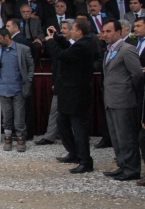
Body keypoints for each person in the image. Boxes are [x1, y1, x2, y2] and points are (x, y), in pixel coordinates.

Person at [44, 19, 96, 173]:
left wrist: (49, 42)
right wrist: (56, 37)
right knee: (62, 122)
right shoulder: (80, 43)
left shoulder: (84, 44)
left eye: (72, 29)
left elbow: (62, 54)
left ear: (79, 31)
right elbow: (67, 46)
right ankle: (73, 153)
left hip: (77, 94)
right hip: (69, 93)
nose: (70, 31)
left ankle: (85, 161)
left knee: (79, 128)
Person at [99, 21, 143, 181]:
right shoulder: (109, 51)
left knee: (126, 137)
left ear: (118, 32)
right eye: (104, 31)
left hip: (124, 99)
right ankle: (123, 165)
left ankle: (132, 169)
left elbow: (137, 74)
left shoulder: (127, 49)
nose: (105, 34)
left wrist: (130, 91)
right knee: (116, 136)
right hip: (110, 99)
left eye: (109, 31)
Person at [0, 29, 35, 152]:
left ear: (7, 36)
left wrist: (29, 80)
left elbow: (31, 66)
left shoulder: (23, 49)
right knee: (7, 116)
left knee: (19, 116)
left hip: (18, 88)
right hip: (3, 88)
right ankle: (8, 139)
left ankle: (21, 140)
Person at [36, 19, 74, 146]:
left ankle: (76, 137)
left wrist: (52, 39)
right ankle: (49, 136)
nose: (61, 30)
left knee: (74, 113)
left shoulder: (79, 44)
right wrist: (54, 36)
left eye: (64, 28)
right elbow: (56, 61)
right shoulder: (63, 41)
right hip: (60, 82)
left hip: (74, 85)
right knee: (54, 110)